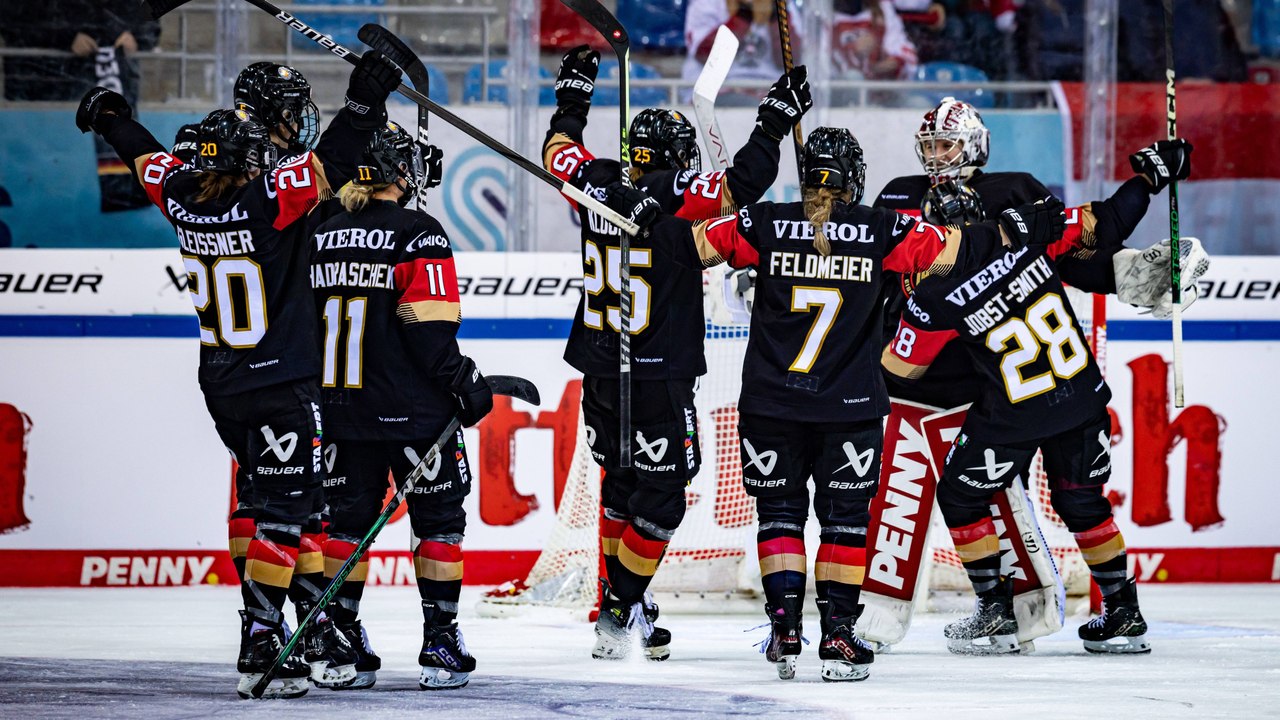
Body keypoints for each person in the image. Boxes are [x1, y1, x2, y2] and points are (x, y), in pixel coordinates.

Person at [605, 126, 1068, 680]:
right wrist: (1016, 229)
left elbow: (688, 246)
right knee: (844, 523)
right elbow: (955, 253)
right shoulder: (885, 228)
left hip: (770, 405)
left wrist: (639, 206)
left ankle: (783, 630)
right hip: (849, 407)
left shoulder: (764, 222)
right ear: (854, 179)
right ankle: (839, 639)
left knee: (779, 517)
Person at [74, 48, 403, 698]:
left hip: (222, 385)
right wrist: (363, 101)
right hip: (280, 384)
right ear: (249, 162)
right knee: (287, 512)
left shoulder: (182, 199)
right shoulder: (266, 203)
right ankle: (261, 644)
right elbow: (328, 162)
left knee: (290, 503)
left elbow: (147, 158)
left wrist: (111, 115)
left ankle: (309, 632)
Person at [863, 98, 1203, 648]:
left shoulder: (937, 289)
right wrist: (1148, 178)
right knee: (1082, 502)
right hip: (1081, 390)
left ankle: (995, 609)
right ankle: (1123, 610)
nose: (934, 157)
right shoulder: (1025, 233)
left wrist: (855, 355)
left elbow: (905, 359)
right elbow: (1097, 227)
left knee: (960, 495)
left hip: (1010, 404)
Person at [542, 45, 812, 661]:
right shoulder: (677, 191)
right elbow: (741, 184)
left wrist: (573, 100)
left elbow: (558, 152)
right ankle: (618, 607)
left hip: (601, 366)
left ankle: (621, 603)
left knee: (619, 487)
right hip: (656, 371)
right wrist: (772, 121)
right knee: (662, 496)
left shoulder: (596, 182)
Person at [309, 122, 492, 690]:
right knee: (439, 521)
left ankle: (340, 640)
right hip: (415, 411)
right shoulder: (419, 232)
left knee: (345, 523)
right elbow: (428, 331)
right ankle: (439, 643)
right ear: (395, 172)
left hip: (339, 409)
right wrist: (466, 381)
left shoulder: (319, 229)